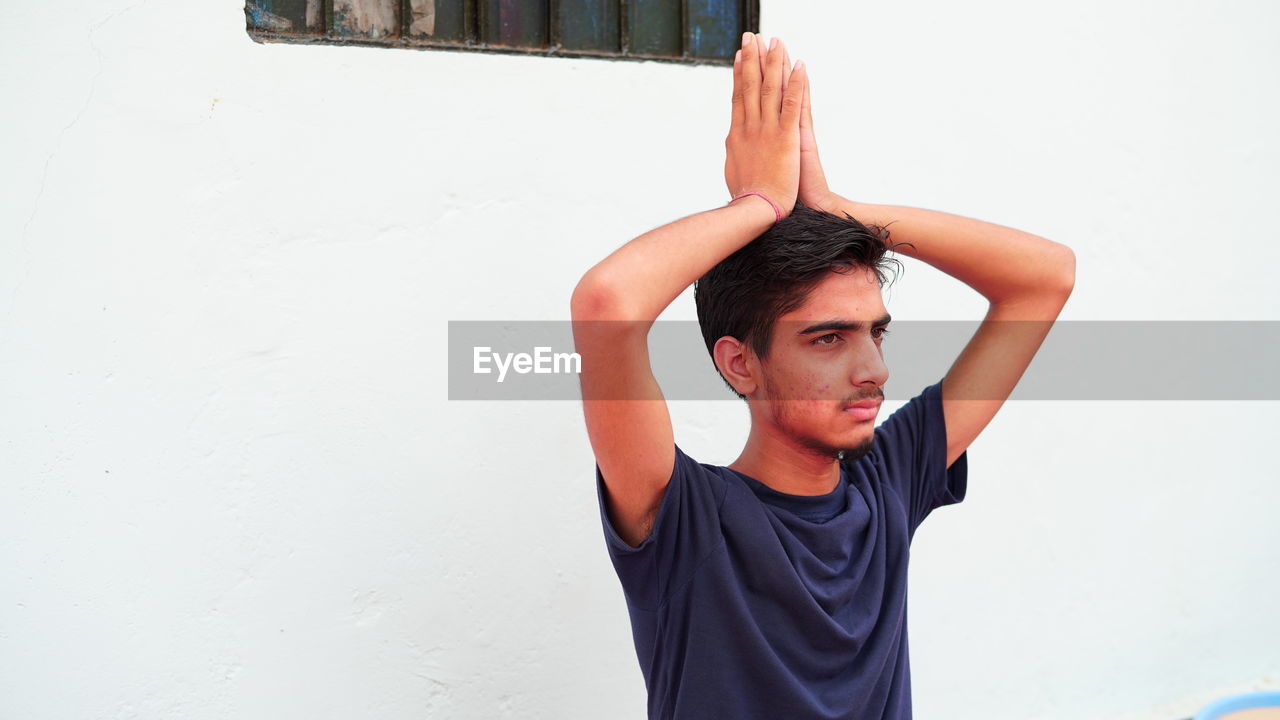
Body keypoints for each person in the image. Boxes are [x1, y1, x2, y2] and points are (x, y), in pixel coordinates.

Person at [570, 31, 1075, 720]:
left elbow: (1047, 278)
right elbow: (607, 303)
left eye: (876, 332)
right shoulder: (685, 518)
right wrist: (759, 205)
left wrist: (840, 209)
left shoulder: (887, 482)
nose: (873, 370)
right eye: (828, 338)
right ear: (740, 363)